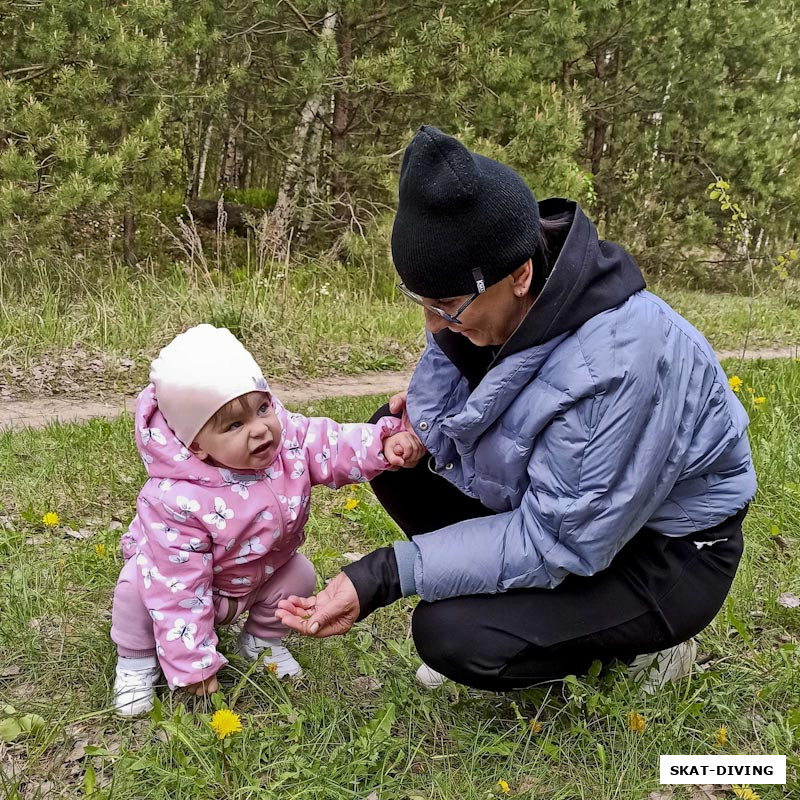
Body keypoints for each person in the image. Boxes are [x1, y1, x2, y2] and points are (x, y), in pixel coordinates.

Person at [275, 125, 757, 693]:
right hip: (578, 512)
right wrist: (417, 430)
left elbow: (560, 539)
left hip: (667, 552)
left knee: (453, 636)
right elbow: (449, 392)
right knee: (395, 454)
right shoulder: (486, 290)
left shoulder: (618, 363)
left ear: (520, 274)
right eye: (422, 304)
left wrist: (387, 572)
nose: (434, 325)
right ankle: (533, 613)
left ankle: (648, 649)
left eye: (448, 307)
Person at [110, 324, 422, 715]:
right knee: (138, 588)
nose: (260, 429)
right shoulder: (175, 500)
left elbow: (331, 442)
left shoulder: (288, 440)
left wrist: (381, 444)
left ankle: (260, 639)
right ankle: (136, 660)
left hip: (258, 572)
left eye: (263, 408)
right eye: (235, 425)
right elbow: (178, 588)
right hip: (187, 581)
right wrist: (195, 668)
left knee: (301, 574)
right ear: (195, 444)